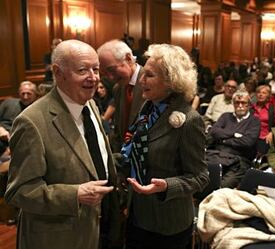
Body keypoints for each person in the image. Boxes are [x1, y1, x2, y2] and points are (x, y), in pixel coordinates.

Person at [5, 40, 119, 249]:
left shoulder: (90, 104)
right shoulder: (31, 122)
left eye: (96, 69)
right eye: (83, 70)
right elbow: (19, 191)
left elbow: (94, 158)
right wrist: (74, 194)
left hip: (99, 228)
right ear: (58, 72)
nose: (93, 78)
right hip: (61, 238)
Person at [122, 44, 209, 249]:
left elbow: (200, 177)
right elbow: (135, 148)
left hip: (167, 224)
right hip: (137, 215)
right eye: (143, 74)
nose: (141, 81)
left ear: (171, 81)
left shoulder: (189, 120)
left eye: (149, 76)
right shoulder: (148, 107)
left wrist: (167, 186)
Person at [98, 39, 145, 152]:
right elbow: (119, 129)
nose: (110, 77)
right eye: (105, 73)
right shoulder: (118, 88)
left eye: (112, 70)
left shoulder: (151, 83)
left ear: (128, 59)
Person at [207, 89, 260, 188]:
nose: (240, 105)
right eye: (237, 102)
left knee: (222, 187)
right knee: (203, 180)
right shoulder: (225, 116)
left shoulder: (254, 121)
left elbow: (247, 142)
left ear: (249, 105)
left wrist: (223, 140)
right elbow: (214, 132)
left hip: (240, 161)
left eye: (243, 103)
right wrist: (235, 134)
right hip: (216, 156)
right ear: (233, 104)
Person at [251, 85, 275, 155]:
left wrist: (272, 133)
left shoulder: (272, 109)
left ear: (268, 96)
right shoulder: (251, 108)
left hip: (264, 137)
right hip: (250, 136)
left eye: (264, 93)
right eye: (259, 92)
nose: (260, 94)